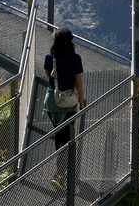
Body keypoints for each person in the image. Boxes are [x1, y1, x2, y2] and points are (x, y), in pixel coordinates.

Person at [43, 27, 88, 191]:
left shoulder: (50, 57)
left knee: (58, 136)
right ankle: (60, 174)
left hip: (52, 104)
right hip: (68, 104)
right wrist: (82, 103)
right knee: (67, 138)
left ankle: (61, 172)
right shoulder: (76, 59)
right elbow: (78, 83)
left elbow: (49, 74)